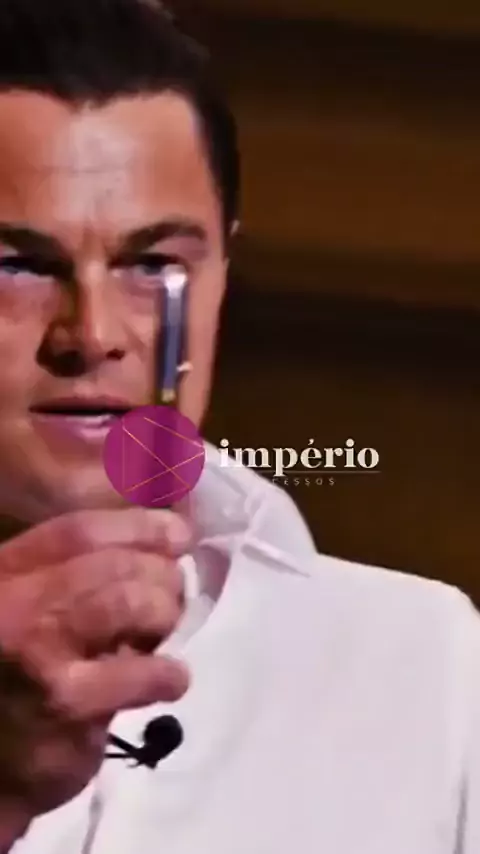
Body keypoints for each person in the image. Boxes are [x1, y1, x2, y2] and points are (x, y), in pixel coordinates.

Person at [0, 1, 477, 852]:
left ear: (224, 271)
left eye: (153, 264)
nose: (93, 334)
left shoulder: (426, 666)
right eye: (20, 267)